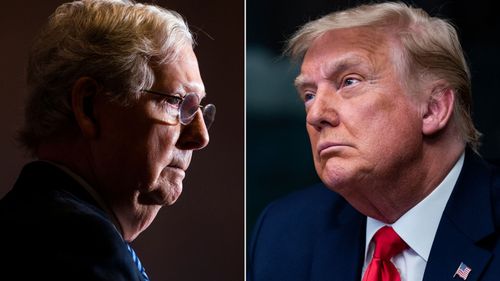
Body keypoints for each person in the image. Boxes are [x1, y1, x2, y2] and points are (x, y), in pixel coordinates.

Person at [248, 2, 500, 281]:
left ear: (433, 108)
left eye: (349, 82)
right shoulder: (283, 233)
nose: (316, 114)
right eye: (308, 95)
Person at [0, 0, 215, 280]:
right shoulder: (84, 250)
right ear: (89, 107)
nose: (200, 137)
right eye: (176, 103)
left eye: (198, 109)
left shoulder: (27, 223)